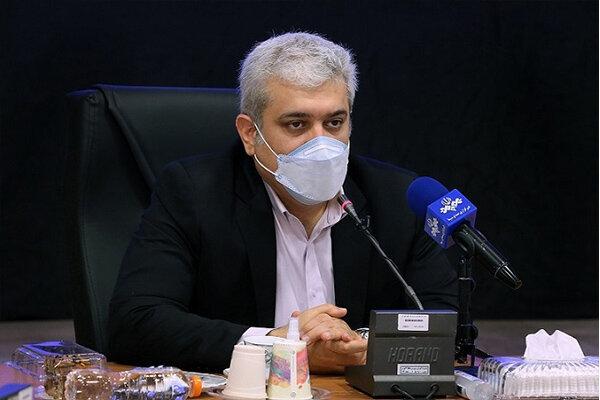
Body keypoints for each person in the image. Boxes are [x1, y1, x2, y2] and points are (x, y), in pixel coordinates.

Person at [108, 32, 458, 373]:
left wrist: (367, 347)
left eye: (334, 122)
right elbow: (136, 323)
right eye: (297, 124)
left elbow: (445, 323)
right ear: (250, 134)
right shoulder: (194, 193)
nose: (321, 143)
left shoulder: (399, 199)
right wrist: (279, 347)